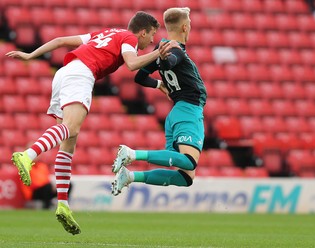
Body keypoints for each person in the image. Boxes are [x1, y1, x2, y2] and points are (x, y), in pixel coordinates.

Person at [6, 11, 175, 235]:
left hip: (64, 73)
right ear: (142, 31)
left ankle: (63, 204)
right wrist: (157, 55)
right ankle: (28, 155)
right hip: (81, 74)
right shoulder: (129, 38)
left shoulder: (105, 33)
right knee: (72, 127)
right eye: (152, 35)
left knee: (69, 142)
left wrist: (30, 55)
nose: (152, 40)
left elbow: (60, 41)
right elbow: (132, 64)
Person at [111, 7, 207, 196]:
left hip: (176, 114)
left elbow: (140, 78)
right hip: (188, 110)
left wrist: (158, 84)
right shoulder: (174, 49)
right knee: (189, 161)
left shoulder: (160, 48)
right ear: (186, 27)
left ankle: (130, 177)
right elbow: (171, 61)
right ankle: (132, 154)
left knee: (186, 177)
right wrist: (164, 60)